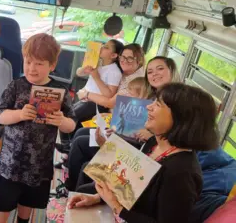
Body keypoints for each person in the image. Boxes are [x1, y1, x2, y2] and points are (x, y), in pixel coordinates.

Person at [67, 83, 220, 223]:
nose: (148, 107)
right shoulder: (154, 143)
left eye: (158, 104)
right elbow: (132, 188)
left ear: (181, 117)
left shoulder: (181, 173)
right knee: (83, 192)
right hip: (121, 213)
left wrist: (116, 206)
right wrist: (97, 198)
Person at [62, 57, 180, 193]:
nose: (154, 74)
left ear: (172, 70)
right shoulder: (153, 94)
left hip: (138, 149)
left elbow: (172, 134)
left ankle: (71, 189)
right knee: (82, 134)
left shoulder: (176, 100)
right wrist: (117, 131)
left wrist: (150, 135)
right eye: (150, 71)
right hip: (129, 140)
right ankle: (71, 183)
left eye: (160, 69)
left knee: (81, 144)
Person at [0, 34, 76, 223]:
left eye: (39, 63)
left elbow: (71, 124)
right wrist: (19, 115)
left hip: (38, 164)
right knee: (2, 206)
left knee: (27, 203)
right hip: (10, 163)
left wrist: (61, 120)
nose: (32, 68)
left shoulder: (60, 91)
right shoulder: (16, 86)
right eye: (28, 61)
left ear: (52, 66)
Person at [57, 39, 124, 155]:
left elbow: (109, 94)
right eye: (103, 45)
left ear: (113, 55)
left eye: (106, 47)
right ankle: (68, 149)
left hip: (96, 104)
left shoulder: (114, 71)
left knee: (68, 116)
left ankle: (66, 146)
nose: (102, 47)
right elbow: (78, 73)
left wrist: (96, 76)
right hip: (85, 99)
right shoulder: (97, 62)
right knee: (67, 115)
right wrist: (85, 69)